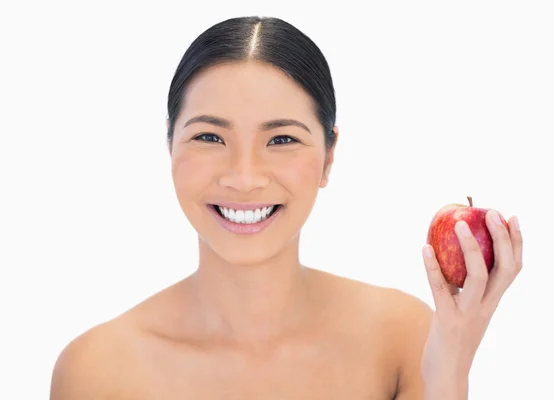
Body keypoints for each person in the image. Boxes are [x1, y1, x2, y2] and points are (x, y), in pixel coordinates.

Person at [50, 16, 523, 399]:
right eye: (209, 136)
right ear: (168, 142)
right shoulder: (95, 371)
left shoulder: (404, 339)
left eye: (282, 139)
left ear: (329, 157)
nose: (244, 176)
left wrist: (449, 373)